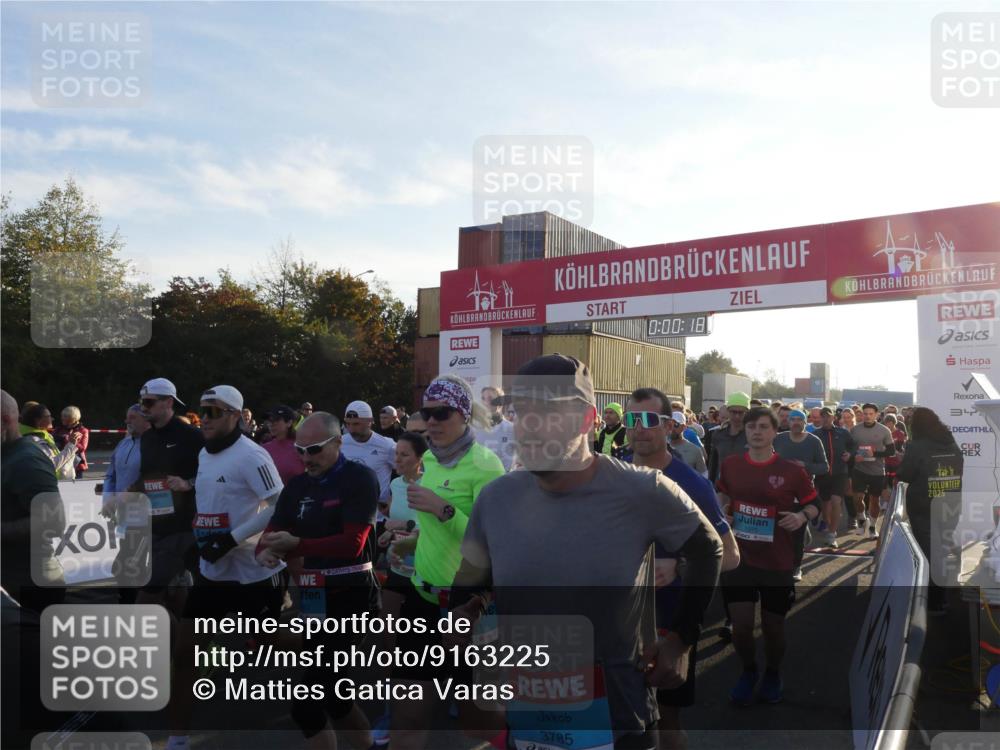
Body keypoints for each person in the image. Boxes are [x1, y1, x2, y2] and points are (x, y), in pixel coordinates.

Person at [449, 356, 723, 750]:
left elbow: (707, 549)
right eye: (522, 412)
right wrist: (465, 615)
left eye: (547, 413)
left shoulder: (644, 490)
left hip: (618, 716)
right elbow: (472, 580)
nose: (530, 427)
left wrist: (681, 639)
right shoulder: (496, 498)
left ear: (584, 419)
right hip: (527, 715)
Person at [387, 375, 505, 750]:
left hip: (467, 607)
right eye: (427, 413)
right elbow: (437, 529)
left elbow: (495, 543)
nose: (432, 421)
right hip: (422, 598)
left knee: (478, 722)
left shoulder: (485, 466)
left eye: (443, 413)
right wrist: (414, 541)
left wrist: (444, 511)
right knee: (407, 715)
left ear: (465, 416)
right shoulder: (433, 463)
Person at [167, 386, 286, 750]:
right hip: (212, 573)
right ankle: (177, 738)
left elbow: (278, 502)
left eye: (215, 412)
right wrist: (203, 536)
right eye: (203, 411)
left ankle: (324, 655)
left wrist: (231, 539)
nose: (206, 418)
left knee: (271, 643)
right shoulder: (205, 453)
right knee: (186, 652)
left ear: (236, 415)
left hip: (252, 574)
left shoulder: (253, 455)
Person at [626, 387, 739, 750]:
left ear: (668, 426)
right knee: (619, 717)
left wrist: (680, 563)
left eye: (648, 420)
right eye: (631, 420)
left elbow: (730, 555)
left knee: (666, 720)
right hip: (619, 620)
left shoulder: (691, 483)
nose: (639, 428)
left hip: (669, 624)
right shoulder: (612, 476)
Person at [717, 406, 819, 705]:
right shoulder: (732, 464)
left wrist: (801, 518)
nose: (757, 432)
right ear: (746, 431)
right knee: (742, 625)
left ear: (776, 432)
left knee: (773, 627)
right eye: (752, 427)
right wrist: (723, 509)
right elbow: (722, 493)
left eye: (764, 427)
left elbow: (814, 504)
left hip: (777, 561)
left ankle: (773, 672)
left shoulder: (792, 471)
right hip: (740, 559)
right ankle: (748, 671)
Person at [133, 377, 205, 610]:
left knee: (149, 593)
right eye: (142, 402)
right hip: (156, 525)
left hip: (184, 527)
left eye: (149, 402)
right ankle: (181, 643)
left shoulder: (192, 436)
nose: (143, 408)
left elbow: (214, 475)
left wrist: (188, 483)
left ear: (168, 403)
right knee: (174, 595)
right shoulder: (147, 438)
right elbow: (147, 477)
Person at [1, 389, 66, 614]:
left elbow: (54, 523)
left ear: (6, 420)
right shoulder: (5, 453)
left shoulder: (27, 460)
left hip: (32, 587)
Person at [896, 407, 963, 615]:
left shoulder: (916, 446)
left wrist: (902, 461)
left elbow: (905, 474)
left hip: (924, 505)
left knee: (929, 553)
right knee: (941, 548)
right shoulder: (951, 442)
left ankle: (935, 601)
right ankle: (940, 597)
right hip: (951, 503)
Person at [774, 410, 828, 570]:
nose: (796, 422)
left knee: (796, 535)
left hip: (803, 492)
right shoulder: (779, 438)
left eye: (800, 419)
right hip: (778, 490)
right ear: (788, 422)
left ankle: (796, 567)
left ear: (806, 422)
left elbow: (824, 467)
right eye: (793, 419)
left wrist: (806, 466)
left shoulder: (814, 441)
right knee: (780, 530)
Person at [813, 407, 857, 547]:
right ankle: (827, 524)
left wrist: (850, 454)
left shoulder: (842, 432)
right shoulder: (815, 434)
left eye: (828, 416)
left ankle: (832, 534)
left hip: (840, 473)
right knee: (825, 504)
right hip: (822, 474)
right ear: (819, 418)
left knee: (836, 501)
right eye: (823, 416)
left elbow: (854, 446)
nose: (826, 419)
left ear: (833, 418)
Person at [850, 403, 896, 539]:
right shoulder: (855, 430)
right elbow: (851, 448)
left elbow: (891, 451)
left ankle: (872, 527)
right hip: (859, 469)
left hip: (877, 471)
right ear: (861, 414)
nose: (868, 416)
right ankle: (862, 520)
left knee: (874, 500)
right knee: (857, 498)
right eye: (865, 414)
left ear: (876, 415)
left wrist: (874, 453)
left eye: (871, 414)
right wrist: (854, 456)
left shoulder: (884, 430)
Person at [340, 401, 396, 502]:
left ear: (370, 421)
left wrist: (395, 497)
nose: (351, 429)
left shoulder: (387, 445)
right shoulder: (339, 443)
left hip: (378, 515)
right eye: (347, 424)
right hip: (347, 513)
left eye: (356, 424)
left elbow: (409, 470)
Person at [19, 403, 77, 479]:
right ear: (38, 420)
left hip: (54, 481)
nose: (52, 419)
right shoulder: (33, 440)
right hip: (50, 483)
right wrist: (71, 445)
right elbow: (50, 465)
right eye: (48, 416)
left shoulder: (44, 435)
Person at [708, 392, 750, 482]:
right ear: (728, 411)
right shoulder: (718, 435)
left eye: (741, 412)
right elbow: (713, 466)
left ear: (747, 413)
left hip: (746, 489)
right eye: (734, 412)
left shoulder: (753, 436)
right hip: (721, 489)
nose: (737, 416)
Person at [473, 385, 515, 471]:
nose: (485, 402)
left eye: (490, 398)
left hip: (504, 480)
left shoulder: (511, 429)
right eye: (483, 398)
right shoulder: (474, 428)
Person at [261, 405, 303, 484]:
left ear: (289, 423)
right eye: (269, 421)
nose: (271, 424)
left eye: (276, 420)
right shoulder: (264, 448)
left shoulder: (302, 447)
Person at [666, 411, 708, 476]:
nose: (672, 428)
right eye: (669, 425)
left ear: (684, 427)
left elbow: (704, 476)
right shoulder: (662, 448)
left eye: (676, 425)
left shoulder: (695, 450)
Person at [54, 405, 88, 478]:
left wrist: (70, 441)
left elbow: (83, 448)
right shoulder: (58, 429)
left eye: (65, 416)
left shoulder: (83, 430)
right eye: (62, 416)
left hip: (77, 465)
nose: (62, 418)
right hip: (61, 462)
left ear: (74, 418)